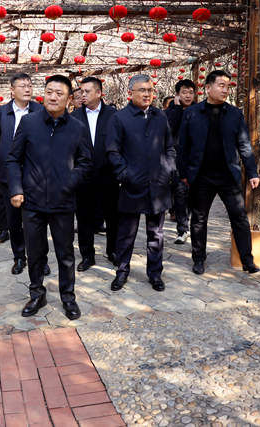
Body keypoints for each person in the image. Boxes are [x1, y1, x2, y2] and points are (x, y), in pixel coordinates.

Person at [6, 75, 92, 320]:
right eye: (49, 92)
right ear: (43, 94)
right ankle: (37, 294)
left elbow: (85, 162)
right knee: (35, 252)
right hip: (32, 201)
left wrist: (69, 182)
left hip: (63, 201)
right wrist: (16, 189)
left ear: (69, 99)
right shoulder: (29, 122)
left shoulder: (77, 127)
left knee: (65, 253)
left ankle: (68, 297)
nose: (53, 97)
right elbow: (13, 159)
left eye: (59, 93)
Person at [177, 69, 260, 275]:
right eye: (221, 86)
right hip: (201, 176)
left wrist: (252, 172)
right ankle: (198, 259)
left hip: (228, 176)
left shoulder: (235, 114)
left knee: (239, 217)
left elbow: (244, 145)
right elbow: (183, 146)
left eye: (227, 87)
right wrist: (184, 173)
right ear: (208, 88)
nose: (225, 90)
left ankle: (247, 260)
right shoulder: (191, 113)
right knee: (199, 219)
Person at [106, 74, 175, 293]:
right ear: (130, 93)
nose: (147, 94)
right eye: (142, 90)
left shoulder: (160, 116)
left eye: (150, 90)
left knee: (156, 233)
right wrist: (125, 174)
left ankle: (155, 274)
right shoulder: (119, 118)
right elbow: (113, 151)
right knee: (126, 232)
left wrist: (169, 168)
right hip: (132, 185)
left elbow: (169, 147)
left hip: (158, 184)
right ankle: (122, 272)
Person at [0, 73, 50, 276]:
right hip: (8, 174)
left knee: (38, 220)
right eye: (22, 86)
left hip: (35, 175)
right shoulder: (1, 113)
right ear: (12, 90)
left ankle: (41, 259)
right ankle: (19, 257)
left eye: (29, 85)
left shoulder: (41, 110)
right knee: (14, 221)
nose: (27, 89)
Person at [71, 76, 118, 271]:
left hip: (108, 175)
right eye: (81, 91)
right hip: (83, 176)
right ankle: (87, 255)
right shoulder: (74, 117)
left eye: (87, 91)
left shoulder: (114, 115)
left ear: (99, 93)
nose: (83, 95)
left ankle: (113, 251)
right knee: (84, 217)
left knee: (112, 216)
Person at [165, 79, 196, 244]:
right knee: (180, 192)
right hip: (177, 159)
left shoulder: (199, 110)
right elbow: (168, 129)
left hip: (196, 159)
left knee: (194, 194)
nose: (188, 96)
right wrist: (177, 108)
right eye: (184, 92)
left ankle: (190, 223)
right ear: (177, 94)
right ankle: (182, 229)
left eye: (191, 92)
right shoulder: (169, 111)